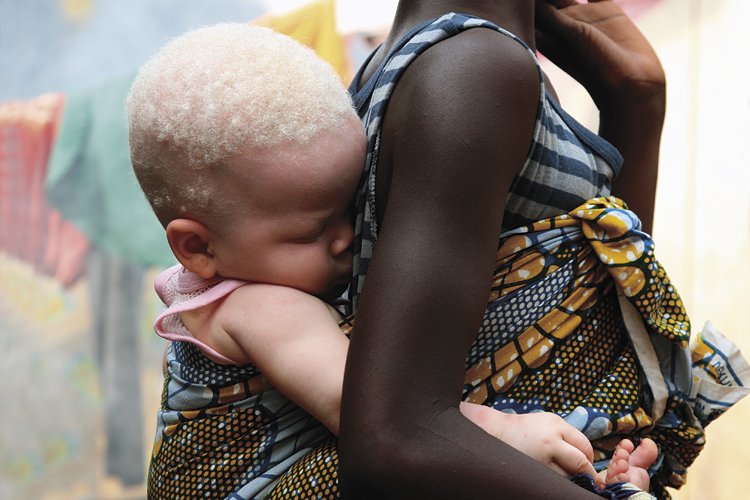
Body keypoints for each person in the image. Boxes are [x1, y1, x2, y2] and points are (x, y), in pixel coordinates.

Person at [127, 21, 658, 499]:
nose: (345, 239)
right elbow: (357, 407)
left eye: (350, 207)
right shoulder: (260, 308)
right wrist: (509, 436)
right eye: (313, 230)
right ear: (198, 248)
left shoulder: (239, 273)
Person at [338, 0, 748, 498]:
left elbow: (599, 316)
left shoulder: (421, 61)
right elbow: (394, 438)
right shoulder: (477, 67)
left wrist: (635, 102)